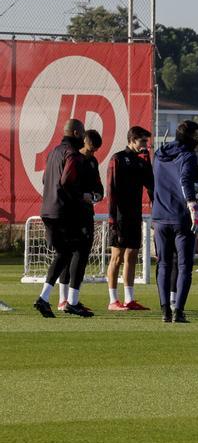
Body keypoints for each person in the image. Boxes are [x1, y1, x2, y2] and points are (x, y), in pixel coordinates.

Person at [33, 119, 90, 318]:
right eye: (82, 133)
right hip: (63, 211)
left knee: (64, 254)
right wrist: (81, 196)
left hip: (47, 210)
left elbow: (44, 179)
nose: (84, 137)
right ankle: (68, 301)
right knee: (77, 251)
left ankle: (47, 298)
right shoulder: (72, 154)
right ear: (75, 133)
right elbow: (67, 181)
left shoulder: (54, 152)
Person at [152, 120, 198, 323]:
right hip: (181, 216)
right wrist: (194, 209)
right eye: (197, 135)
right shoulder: (188, 156)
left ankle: (165, 309)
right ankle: (178, 310)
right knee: (184, 266)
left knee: (163, 264)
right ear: (190, 136)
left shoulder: (158, 154)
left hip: (159, 215)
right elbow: (184, 181)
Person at [105, 126, 154, 311]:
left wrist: (147, 160)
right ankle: (112, 300)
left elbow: (151, 184)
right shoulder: (118, 158)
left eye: (146, 142)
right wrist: (112, 218)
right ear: (132, 140)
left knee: (132, 255)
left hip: (135, 215)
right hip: (119, 216)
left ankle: (129, 299)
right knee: (116, 257)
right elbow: (111, 190)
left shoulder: (141, 161)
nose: (145, 145)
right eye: (142, 141)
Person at [56, 129, 104, 311]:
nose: (92, 154)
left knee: (82, 255)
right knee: (68, 255)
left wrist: (95, 196)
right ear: (82, 142)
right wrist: (79, 196)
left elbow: (99, 188)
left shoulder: (92, 162)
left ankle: (72, 300)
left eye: (95, 151)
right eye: (90, 149)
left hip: (85, 214)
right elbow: (63, 185)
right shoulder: (72, 159)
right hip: (69, 214)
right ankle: (65, 300)